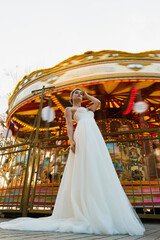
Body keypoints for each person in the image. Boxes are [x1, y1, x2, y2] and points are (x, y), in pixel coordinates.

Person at [0, 88, 145, 236]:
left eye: (80, 93)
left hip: (94, 136)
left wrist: (87, 95)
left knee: (96, 163)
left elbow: (98, 102)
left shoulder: (88, 109)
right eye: (76, 93)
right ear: (71, 97)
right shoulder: (70, 109)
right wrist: (71, 140)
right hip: (82, 133)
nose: (79, 95)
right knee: (84, 163)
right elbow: (69, 125)